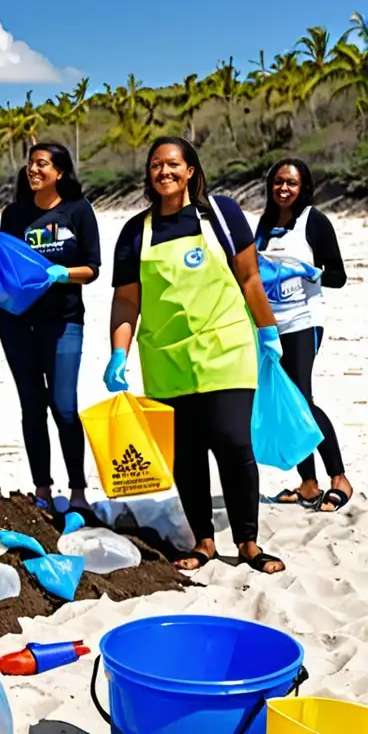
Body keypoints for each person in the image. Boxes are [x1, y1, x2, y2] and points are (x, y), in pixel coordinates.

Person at [104, 136, 285, 574]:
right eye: (155, 166)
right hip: (167, 359)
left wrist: (268, 331)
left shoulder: (222, 214)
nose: (163, 172)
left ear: (190, 171)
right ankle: (204, 540)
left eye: (172, 165)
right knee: (185, 453)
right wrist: (117, 353)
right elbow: (128, 301)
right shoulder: (134, 232)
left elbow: (249, 280)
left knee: (233, 441)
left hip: (226, 348)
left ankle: (247, 542)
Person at [0, 143, 100, 510]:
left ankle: (77, 492)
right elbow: (4, 268)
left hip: (63, 321)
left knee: (64, 406)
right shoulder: (14, 214)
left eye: (42, 164)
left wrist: (63, 275)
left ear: (60, 172)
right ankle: (42, 489)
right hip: (17, 323)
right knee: (32, 406)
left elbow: (92, 269)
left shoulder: (78, 211)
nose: (33, 170)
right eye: (30, 164)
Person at [255, 158, 352, 512]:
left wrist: (310, 273)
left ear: (303, 187)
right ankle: (308, 484)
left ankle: (339, 478)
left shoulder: (315, 222)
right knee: (282, 401)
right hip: (269, 325)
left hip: (303, 322)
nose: (283, 189)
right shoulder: (265, 223)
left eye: (291, 184)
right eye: (278, 182)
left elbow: (338, 276)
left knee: (301, 401)